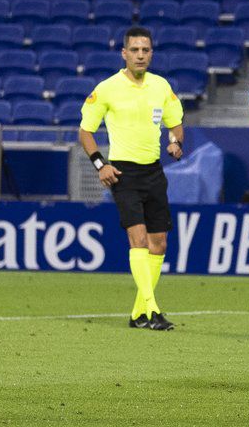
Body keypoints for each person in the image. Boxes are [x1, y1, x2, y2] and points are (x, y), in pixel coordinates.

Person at [78, 26, 183, 331]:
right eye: (134, 50)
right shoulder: (107, 88)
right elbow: (86, 131)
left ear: (151, 53)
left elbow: (175, 124)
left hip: (153, 171)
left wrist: (176, 141)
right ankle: (152, 311)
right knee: (138, 240)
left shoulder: (161, 86)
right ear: (124, 53)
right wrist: (101, 164)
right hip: (123, 172)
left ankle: (139, 313)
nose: (140, 55)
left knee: (159, 243)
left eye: (145, 50)